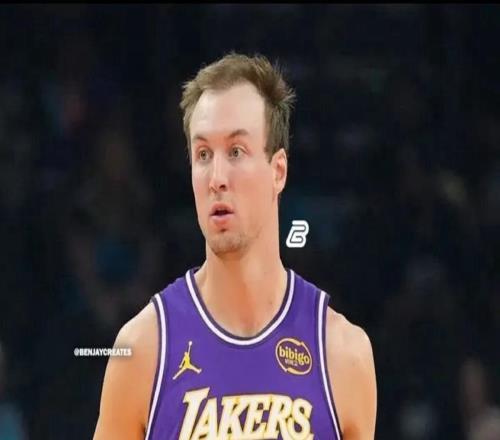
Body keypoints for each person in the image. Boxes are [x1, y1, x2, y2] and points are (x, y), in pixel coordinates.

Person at [93, 53, 377, 440]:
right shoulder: (143, 350)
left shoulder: (343, 354)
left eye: (236, 151)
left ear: (278, 171)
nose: (217, 178)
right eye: (203, 155)